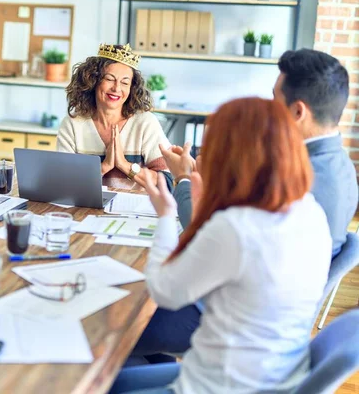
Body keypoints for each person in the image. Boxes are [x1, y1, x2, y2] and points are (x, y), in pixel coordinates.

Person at [137, 48, 358, 361]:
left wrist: (185, 182)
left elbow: (209, 232)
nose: (268, 109)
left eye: (273, 99)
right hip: (255, 316)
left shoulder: (299, 182)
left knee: (119, 317)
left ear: (297, 112)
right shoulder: (339, 167)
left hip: (227, 319)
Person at [111, 98, 332, 394]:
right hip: (274, 377)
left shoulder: (236, 228)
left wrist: (165, 214)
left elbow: (165, 291)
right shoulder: (310, 211)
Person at [56, 43, 171, 189]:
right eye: (110, 79)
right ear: (93, 81)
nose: (117, 88)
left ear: (131, 88)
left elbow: (166, 182)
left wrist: (124, 165)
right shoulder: (72, 124)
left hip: (134, 210)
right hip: (86, 210)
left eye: (125, 82)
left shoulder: (145, 123)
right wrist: (104, 167)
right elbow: (63, 182)